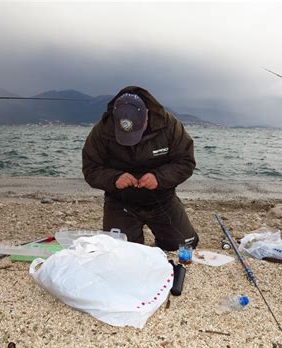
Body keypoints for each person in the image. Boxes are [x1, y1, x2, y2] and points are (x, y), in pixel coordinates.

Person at [82, 86, 199, 251]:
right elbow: (90, 169)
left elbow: (186, 162)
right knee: (120, 251)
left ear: (147, 115)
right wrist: (114, 179)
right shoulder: (101, 131)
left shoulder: (169, 125)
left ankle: (162, 241)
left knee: (184, 246)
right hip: (120, 201)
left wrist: (159, 178)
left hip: (162, 199)